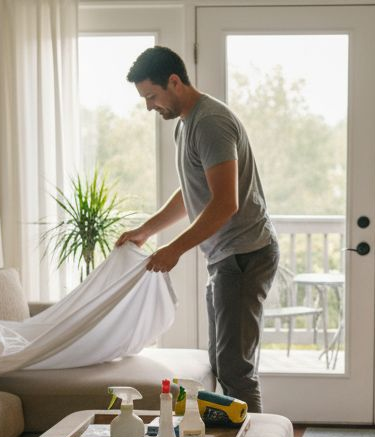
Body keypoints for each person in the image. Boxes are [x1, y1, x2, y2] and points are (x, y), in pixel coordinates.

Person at [116, 46, 278, 414]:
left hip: (244, 255)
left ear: (174, 82)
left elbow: (225, 202)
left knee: (235, 369)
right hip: (227, 257)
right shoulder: (187, 125)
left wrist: (173, 249)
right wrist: (145, 231)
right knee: (221, 363)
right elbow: (191, 191)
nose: (148, 107)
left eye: (151, 96)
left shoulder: (210, 122)